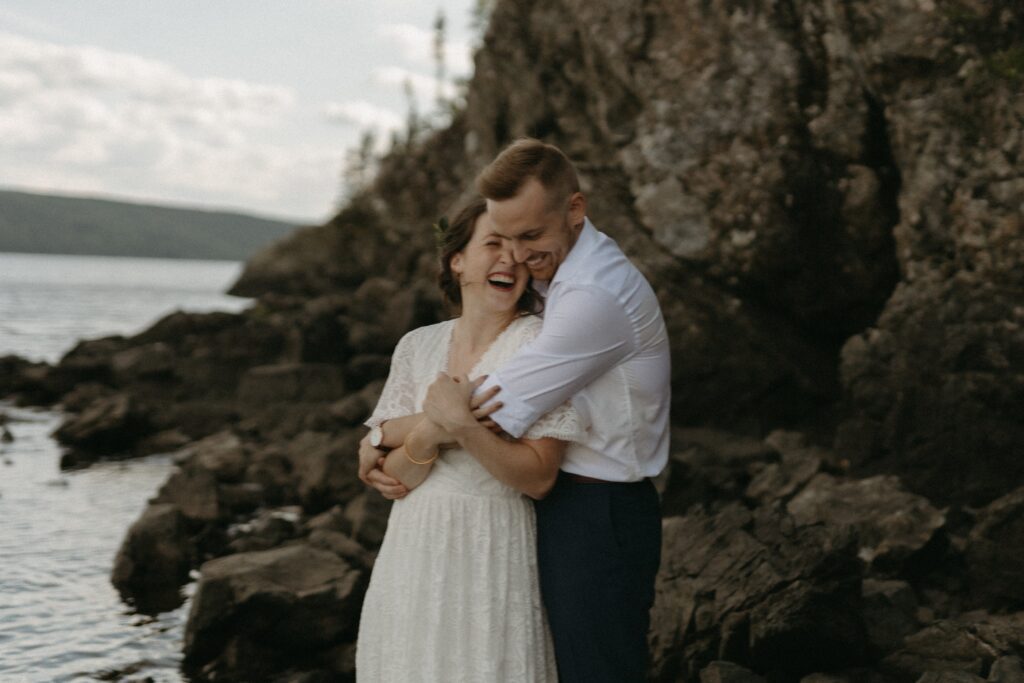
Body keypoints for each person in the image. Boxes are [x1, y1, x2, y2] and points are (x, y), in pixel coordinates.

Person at [361, 138, 672, 682]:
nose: (518, 256)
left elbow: (482, 407)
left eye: (530, 237)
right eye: (502, 239)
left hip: (601, 507)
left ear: (576, 210)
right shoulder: (561, 273)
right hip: (560, 510)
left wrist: (385, 437)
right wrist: (381, 437)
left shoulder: (592, 297)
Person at [354, 197, 582, 682]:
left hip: (491, 547)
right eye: (493, 244)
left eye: (520, 247)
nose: (509, 258)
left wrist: (455, 428)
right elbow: (395, 477)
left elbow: (540, 478)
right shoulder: (417, 345)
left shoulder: (541, 345)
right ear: (457, 260)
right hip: (412, 547)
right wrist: (436, 426)